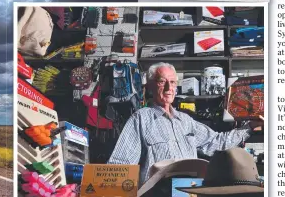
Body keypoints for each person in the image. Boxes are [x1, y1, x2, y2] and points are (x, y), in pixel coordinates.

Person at [108, 62, 263, 187]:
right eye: (162, 82)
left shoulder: (186, 121)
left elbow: (216, 142)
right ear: (150, 86)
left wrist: (249, 126)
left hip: (189, 192)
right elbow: (120, 165)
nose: (169, 88)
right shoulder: (140, 119)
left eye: (173, 82)